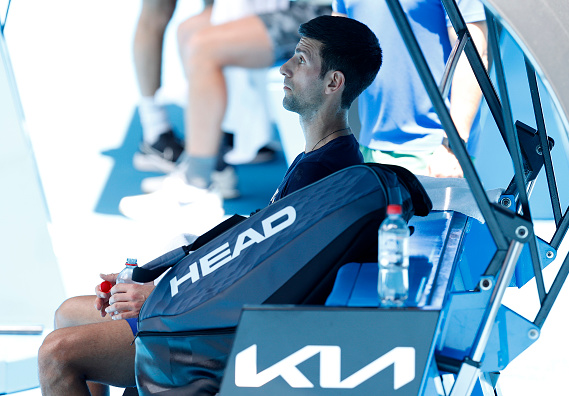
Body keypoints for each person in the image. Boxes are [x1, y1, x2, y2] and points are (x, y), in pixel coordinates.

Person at [37, 14, 382, 395]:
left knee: (57, 354)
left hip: (223, 338)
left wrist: (159, 298)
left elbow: (255, 281)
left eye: (300, 60)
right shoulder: (325, 159)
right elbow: (249, 252)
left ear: (333, 82)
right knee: (67, 314)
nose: (283, 68)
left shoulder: (319, 177)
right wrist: (153, 276)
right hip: (223, 316)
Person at [120, 0, 333, 219]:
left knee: (203, 47)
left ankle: (196, 184)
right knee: (189, 30)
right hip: (294, 5)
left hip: (322, 14)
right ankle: (216, 165)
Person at [333, 0, 489, 178]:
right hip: (369, 147)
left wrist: (454, 146)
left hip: (435, 151)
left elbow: (473, 55)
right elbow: (336, 48)